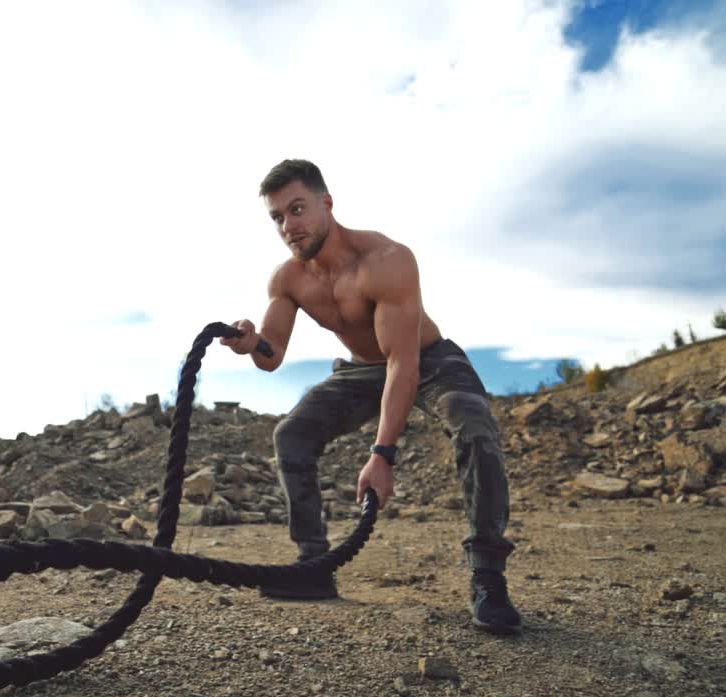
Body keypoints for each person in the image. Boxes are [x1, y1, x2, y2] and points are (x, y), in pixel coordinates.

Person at [221, 158, 521, 635]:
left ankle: (488, 578)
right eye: (277, 217)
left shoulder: (386, 260)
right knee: (291, 433)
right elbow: (272, 355)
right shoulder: (288, 279)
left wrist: (383, 455)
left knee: (475, 427)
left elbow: (404, 363)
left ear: (327, 203)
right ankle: (312, 567)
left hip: (428, 360)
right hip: (362, 369)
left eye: (297, 209)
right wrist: (250, 341)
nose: (288, 226)